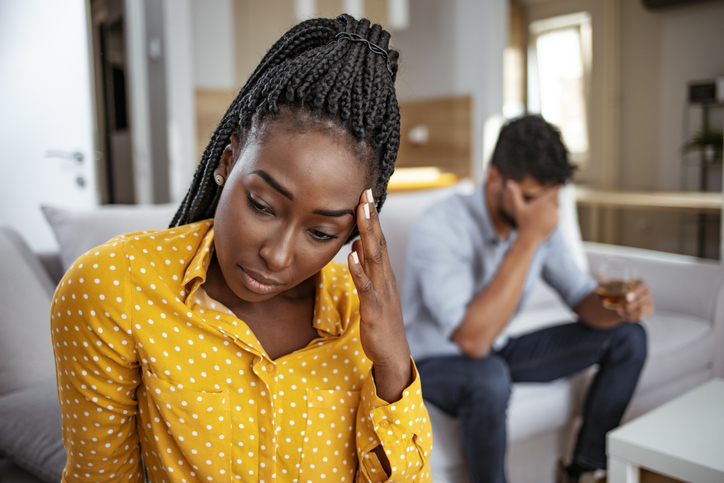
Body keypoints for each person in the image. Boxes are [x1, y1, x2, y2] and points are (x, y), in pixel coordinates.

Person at [50, 15, 432, 483]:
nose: (277, 255)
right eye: (262, 205)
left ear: (355, 229)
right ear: (227, 161)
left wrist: (393, 364)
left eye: (320, 234)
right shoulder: (118, 287)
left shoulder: (358, 316)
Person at [402, 115, 653, 483]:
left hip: (496, 350)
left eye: (551, 200)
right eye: (533, 199)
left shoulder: (537, 224)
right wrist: (529, 239)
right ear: (494, 180)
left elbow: (582, 297)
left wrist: (621, 307)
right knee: (489, 376)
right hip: (433, 361)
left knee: (629, 336)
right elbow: (472, 340)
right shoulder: (439, 226)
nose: (544, 212)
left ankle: (583, 471)